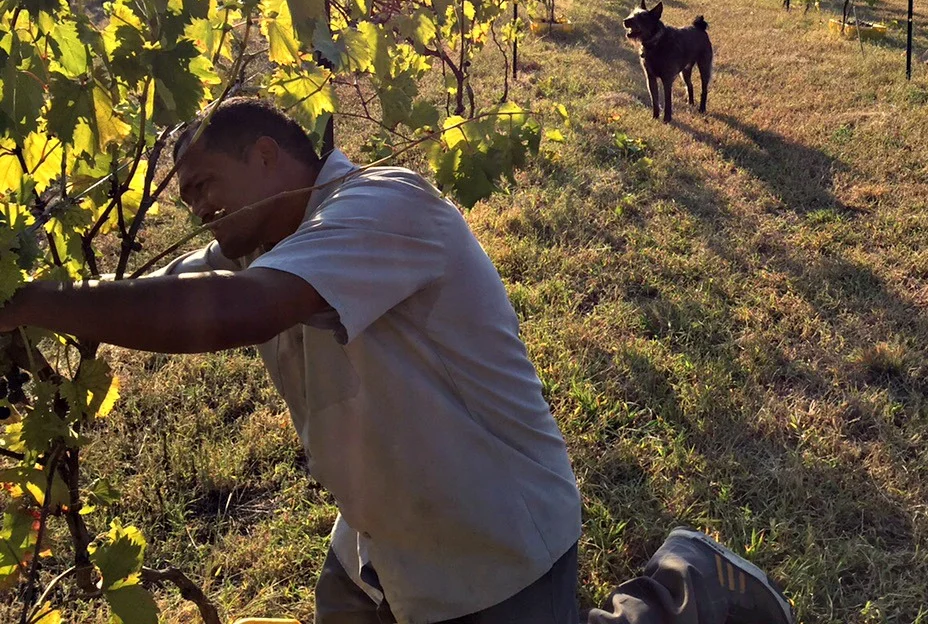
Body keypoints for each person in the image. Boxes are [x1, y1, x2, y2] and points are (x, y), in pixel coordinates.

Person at [2, 98, 794, 624]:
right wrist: (36, 310)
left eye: (207, 185)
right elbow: (148, 294)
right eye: (188, 203)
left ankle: (681, 588)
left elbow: (234, 312)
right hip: (379, 541)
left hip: (494, 540)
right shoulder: (260, 242)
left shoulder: (387, 205)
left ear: (271, 157)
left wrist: (30, 301)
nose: (199, 212)